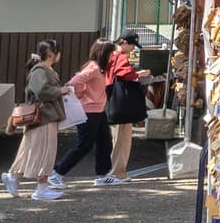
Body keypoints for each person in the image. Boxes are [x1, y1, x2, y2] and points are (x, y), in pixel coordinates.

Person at [49, 39, 117, 185]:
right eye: (111, 52)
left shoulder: (98, 67)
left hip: (98, 111)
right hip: (89, 111)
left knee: (105, 142)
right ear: (104, 53)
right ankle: (57, 173)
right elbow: (74, 82)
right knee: (84, 145)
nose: (113, 55)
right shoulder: (94, 68)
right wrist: (80, 95)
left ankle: (102, 175)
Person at [8, 41, 64, 200]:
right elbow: (41, 91)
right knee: (46, 150)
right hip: (44, 116)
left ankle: (13, 176)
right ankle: (41, 188)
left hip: (41, 117)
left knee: (31, 149)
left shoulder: (42, 69)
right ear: (52, 54)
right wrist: (61, 90)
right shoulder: (41, 70)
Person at [103, 34, 151, 183]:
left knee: (115, 137)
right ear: (124, 43)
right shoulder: (120, 56)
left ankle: (112, 171)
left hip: (111, 100)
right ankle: (118, 172)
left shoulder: (108, 55)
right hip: (122, 103)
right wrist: (138, 74)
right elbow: (124, 73)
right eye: (131, 45)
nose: (131, 49)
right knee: (122, 140)